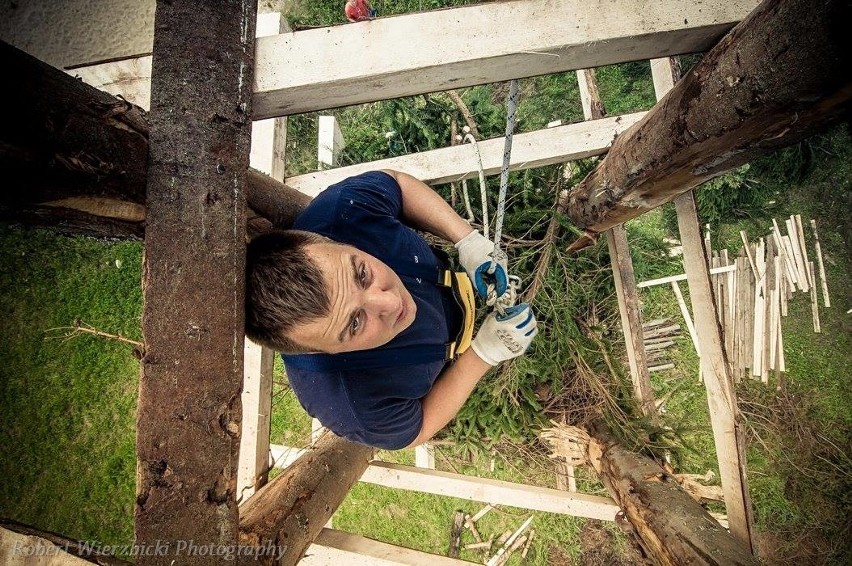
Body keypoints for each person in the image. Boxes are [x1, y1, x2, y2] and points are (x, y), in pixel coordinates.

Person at [245, 170, 538, 450]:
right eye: (355, 324)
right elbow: (419, 428)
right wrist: (482, 356)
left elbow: (398, 184)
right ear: (318, 352)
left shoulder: (343, 211)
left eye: (362, 274)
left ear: (329, 238)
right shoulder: (350, 406)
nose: (392, 303)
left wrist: (466, 240)